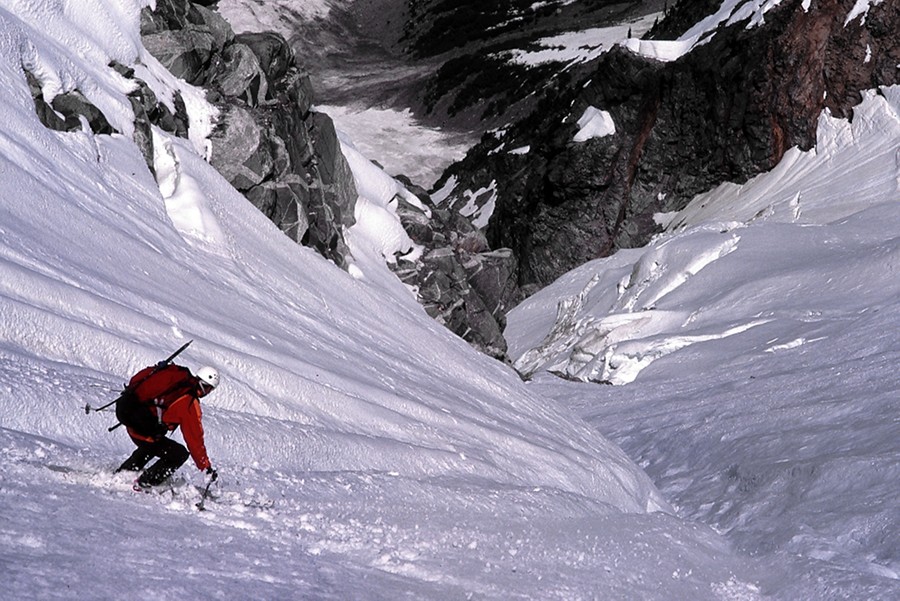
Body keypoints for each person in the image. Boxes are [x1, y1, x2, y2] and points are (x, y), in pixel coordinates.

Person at [116, 365, 219, 490]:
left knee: (155, 442)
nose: (208, 393)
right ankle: (145, 482)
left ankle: (125, 471)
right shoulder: (189, 402)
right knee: (178, 454)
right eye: (210, 389)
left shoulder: (178, 379)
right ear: (205, 387)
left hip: (131, 415)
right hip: (142, 428)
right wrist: (205, 467)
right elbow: (194, 439)